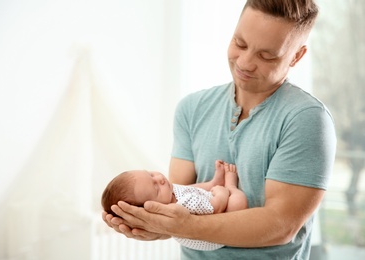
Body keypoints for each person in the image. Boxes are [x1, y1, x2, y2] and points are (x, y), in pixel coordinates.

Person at [103, 0, 337, 259]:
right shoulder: (192, 109)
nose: (245, 63)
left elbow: (280, 225)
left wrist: (183, 226)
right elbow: (177, 199)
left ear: (296, 56)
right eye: (240, 43)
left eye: (266, 55)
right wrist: (155, 225)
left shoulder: (307, 119)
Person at [101, 160, 248, 251]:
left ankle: (215, 183)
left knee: (198, 189)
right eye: (156, 188)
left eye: (151, 174)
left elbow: (193, 189)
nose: (160, 179)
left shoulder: (169, 193)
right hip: (216, 236)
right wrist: (222, 192)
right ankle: (232, 185)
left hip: (207, 210)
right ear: (151, 209)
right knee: (238, 202)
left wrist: (212, 184)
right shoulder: (181, 205)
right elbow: (216, 208)